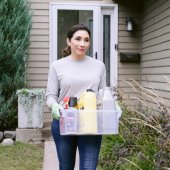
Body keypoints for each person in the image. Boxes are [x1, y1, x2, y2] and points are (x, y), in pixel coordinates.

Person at [46, 24, 106, 170]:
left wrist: (111, 103)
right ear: (68, 41)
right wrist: (54, 106)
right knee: (66, 167)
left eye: (86, 40)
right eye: (78, 39)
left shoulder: (99, 66)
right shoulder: (57, 66)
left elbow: (103, 92)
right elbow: (50, 96)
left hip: (90, 122)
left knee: (89, 168)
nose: (82, 44)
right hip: (64, 121)